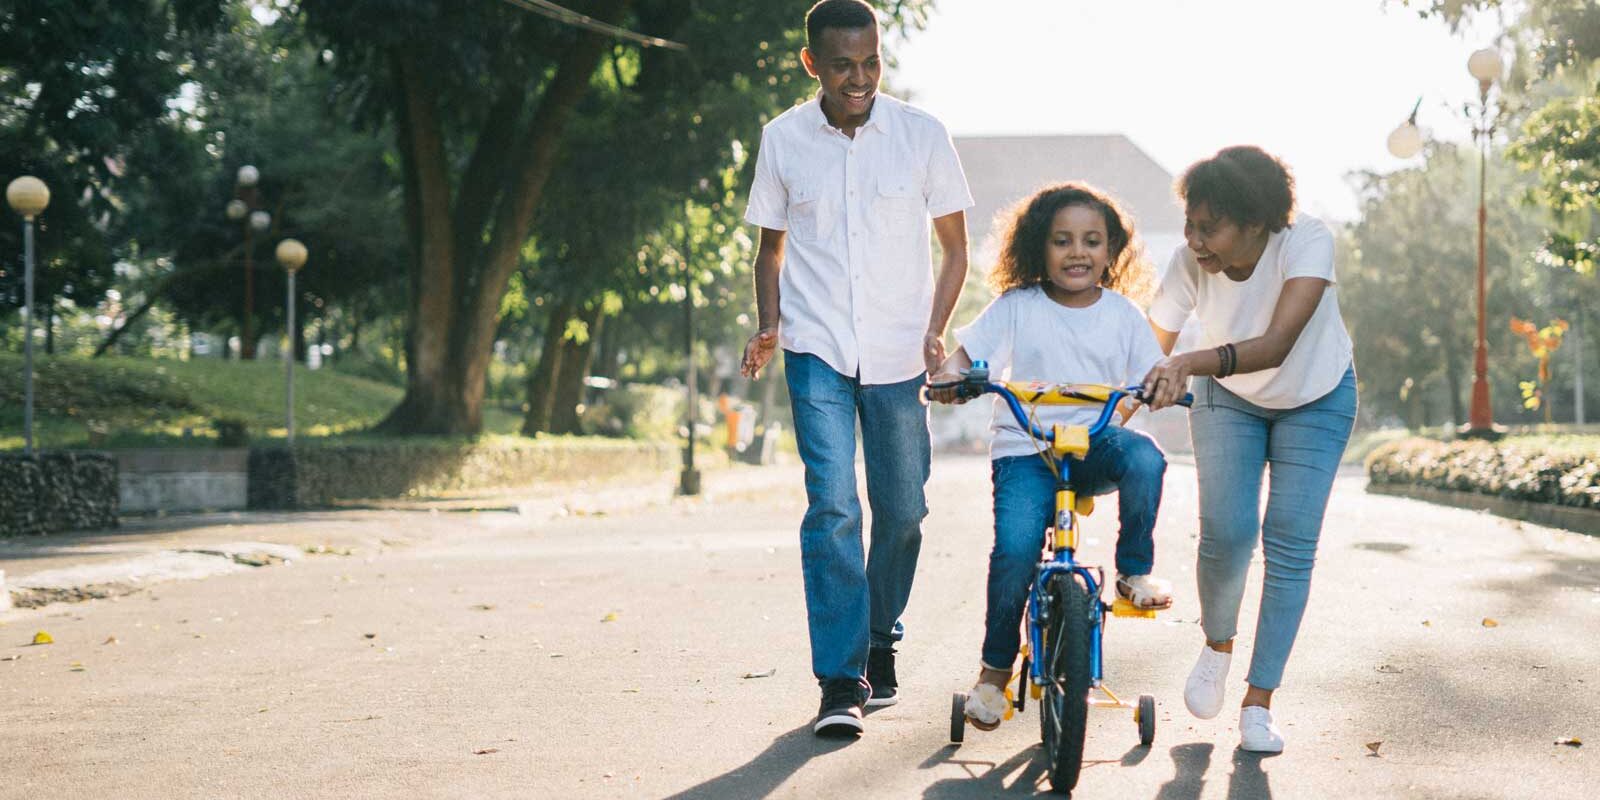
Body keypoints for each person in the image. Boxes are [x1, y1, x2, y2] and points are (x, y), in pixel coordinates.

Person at [738, 0, 973, 737]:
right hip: (816, 351)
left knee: (903, 512)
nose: (860, 77)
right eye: (843, 65)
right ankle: (841, 680)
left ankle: (880, 639)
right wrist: (770, 324)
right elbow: (770, 249)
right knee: (834, 507)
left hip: (901, 352)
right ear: (812, 64)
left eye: (871, 62)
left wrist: (936, 329)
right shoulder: (782, 140)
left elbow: (955, 249)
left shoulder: (922, 136)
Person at [927, 183, 1172, 730]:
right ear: (1040, 248)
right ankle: (993, 674)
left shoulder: (1125, 315)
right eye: (1062, 241)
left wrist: (1164, 385)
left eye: (1092, 241)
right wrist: (950, 376)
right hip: (1026, 450)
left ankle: (1134, 571)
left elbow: (1154, 371)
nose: (1077, 252)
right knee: (1015, 551)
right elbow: (967, 355)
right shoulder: (1017, 307)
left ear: (1112, 252)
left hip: (1092, 444)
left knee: (1147, 459)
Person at [1141, 145, 1357, 754]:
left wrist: (1186, 361)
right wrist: (1116, 406)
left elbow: (1278, 343)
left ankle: (1259, 702)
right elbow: (1147, 347)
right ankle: (1217, 645)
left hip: (1316, 394)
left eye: (1209, 227)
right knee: (1228, 533)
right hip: (1228, 398)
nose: (1194, 240)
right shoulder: (1189, 263)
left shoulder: (1306, 242)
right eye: (1190, 223)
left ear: (1257, 223)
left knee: (1290, 540)